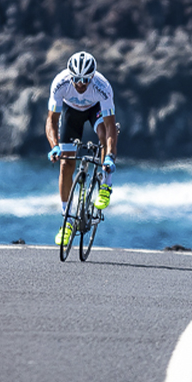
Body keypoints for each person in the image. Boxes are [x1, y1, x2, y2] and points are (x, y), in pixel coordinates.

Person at [46, 50, 118, 245]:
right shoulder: (60, 83)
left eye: (85, 80)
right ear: (70, 75)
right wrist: (54, 147)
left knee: (103, 134)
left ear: (92, 77)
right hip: (71, 113)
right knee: (66, 165)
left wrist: (110, 155)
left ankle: (106, 183)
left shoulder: (102, 87)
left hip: (95, 110)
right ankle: (67, 221)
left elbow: (112, 126)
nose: (80, 84)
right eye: (76, 79)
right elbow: (52, 121)